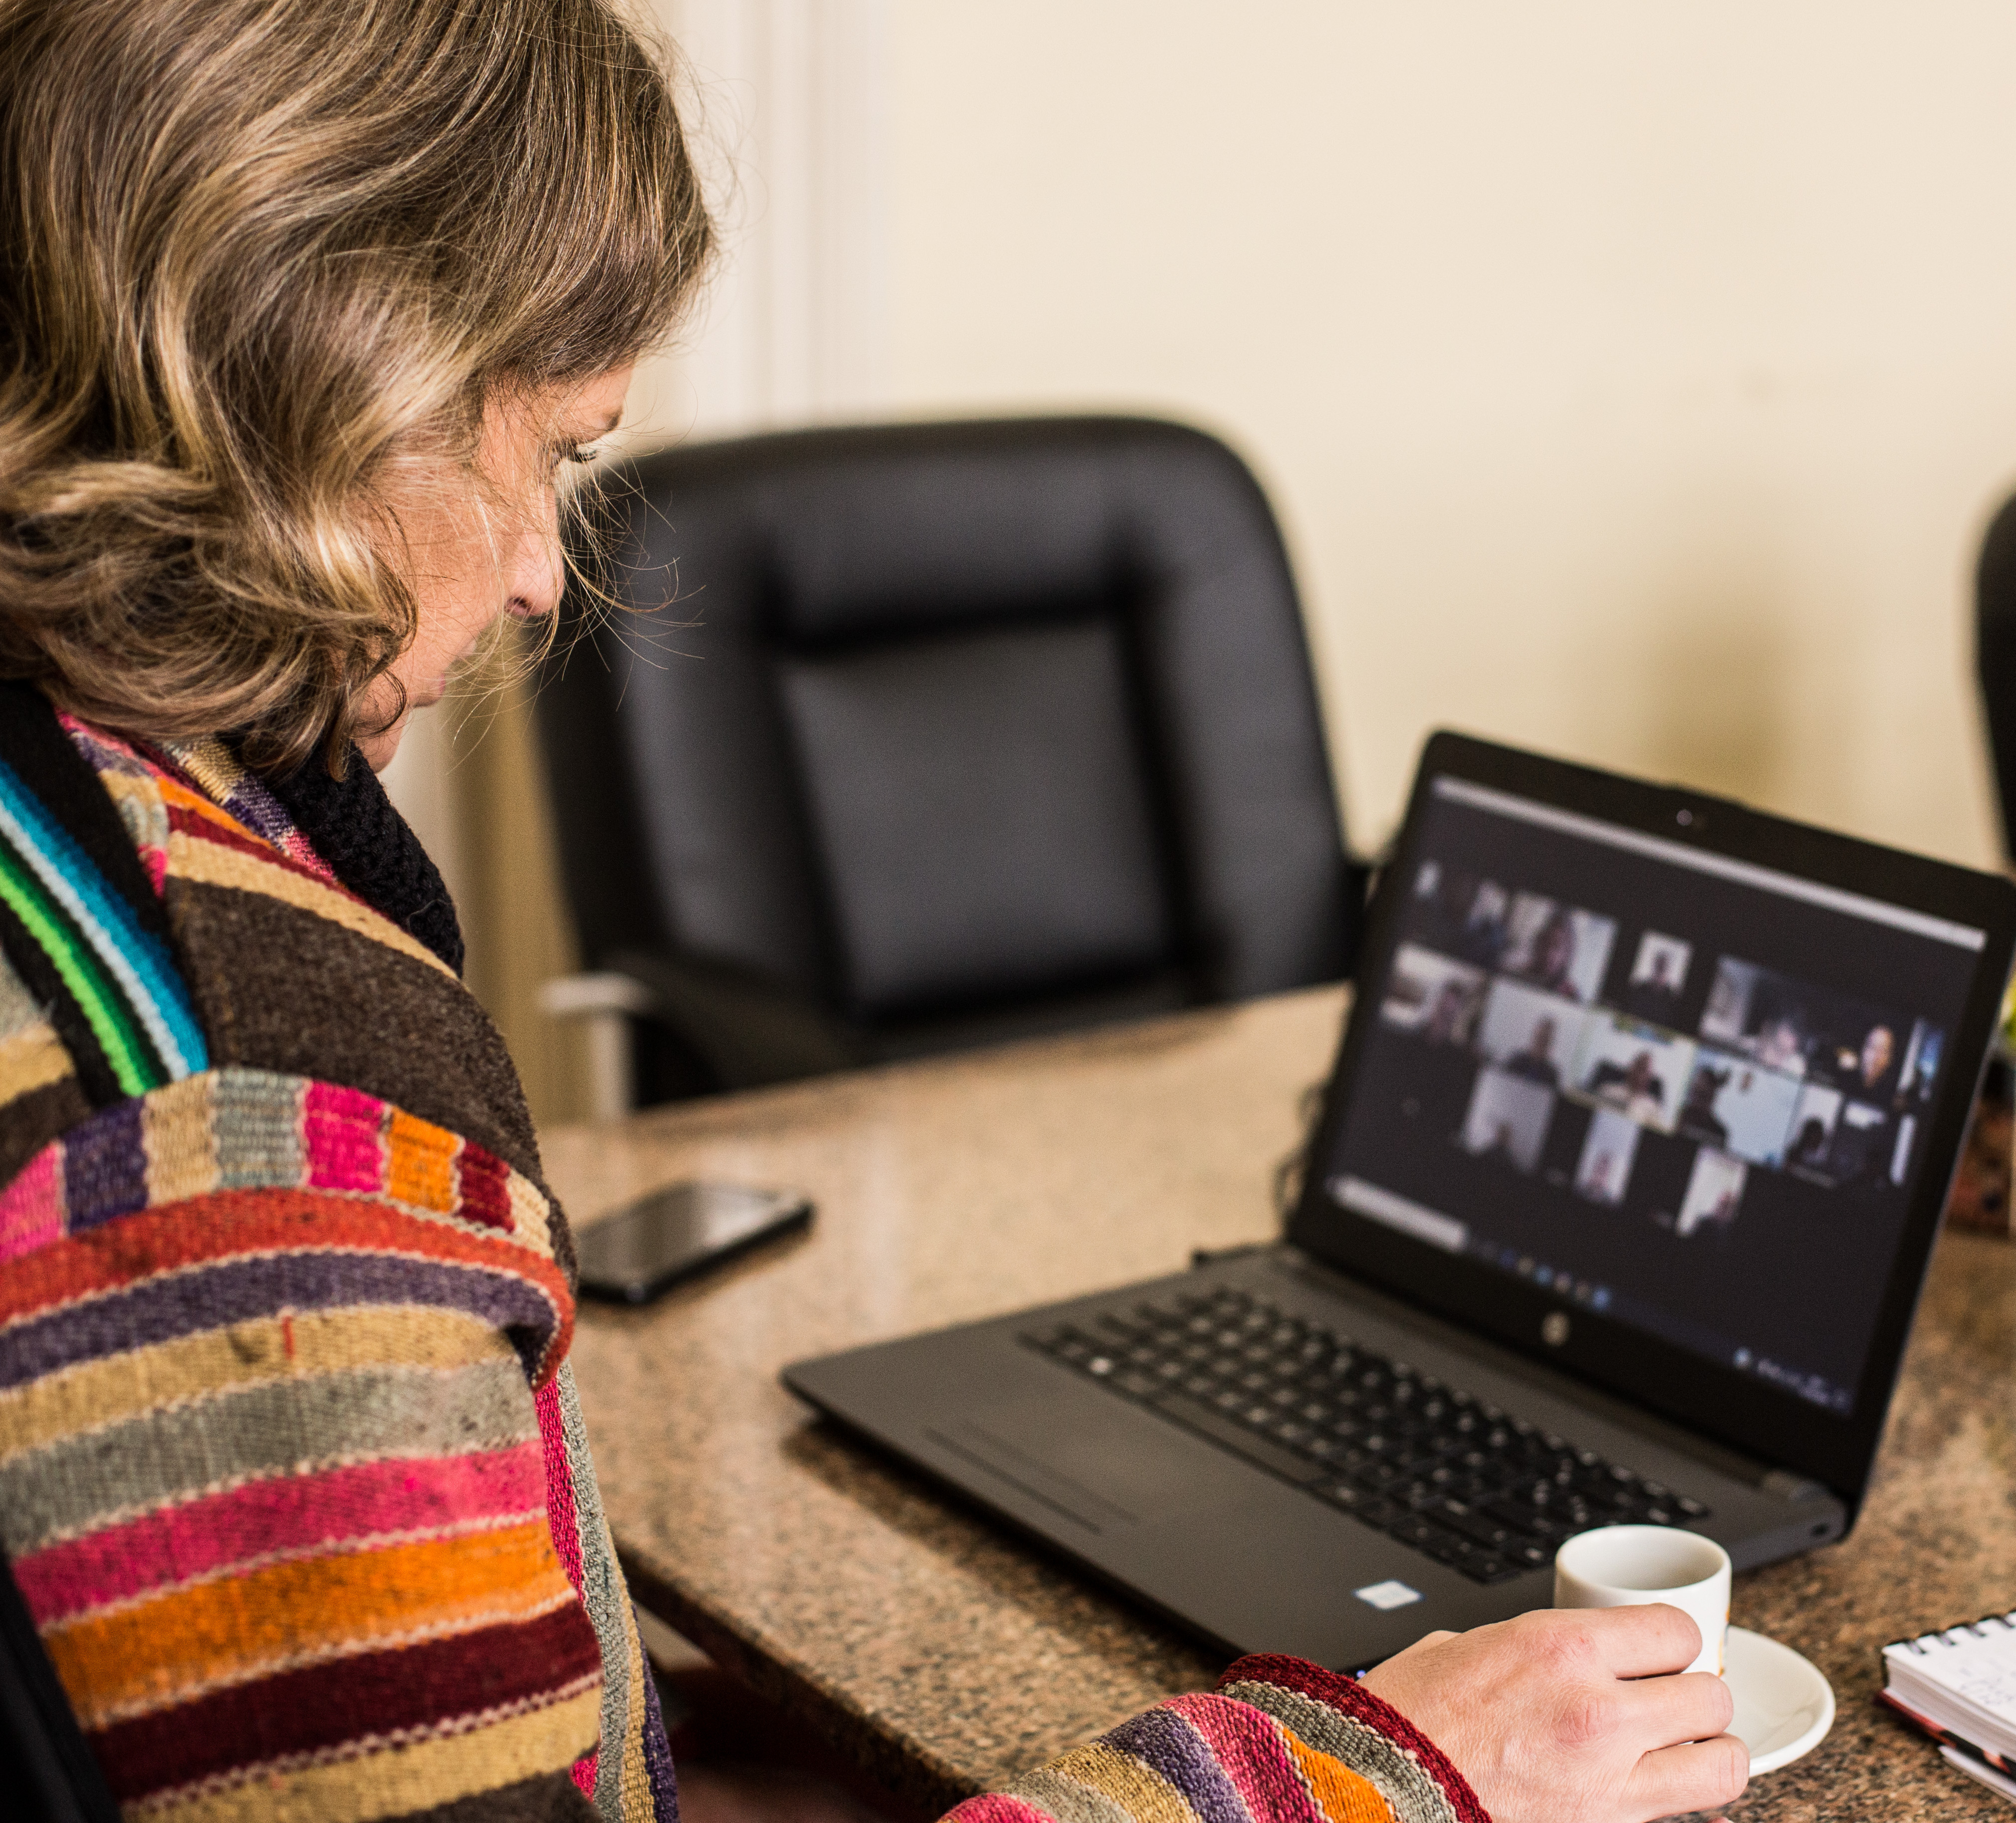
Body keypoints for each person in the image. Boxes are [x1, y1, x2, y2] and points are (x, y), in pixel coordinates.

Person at [0, 6, 1750, 1823]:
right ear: (332, 371)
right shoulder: (243, 1148)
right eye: (551, 450)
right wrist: (1379, 1774)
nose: (536, 571)